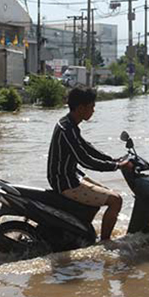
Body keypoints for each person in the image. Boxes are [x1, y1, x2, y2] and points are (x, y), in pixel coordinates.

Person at [47, 87, 132, 241]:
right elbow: (85, 160)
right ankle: (105, 243)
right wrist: (116, 166)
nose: (93, 111)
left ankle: (82, 231)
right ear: (81, 108)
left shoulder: (69, 124)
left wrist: (112, 159)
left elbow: (86, 147)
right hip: (66, 182)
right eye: (92, 107)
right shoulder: (67, 130)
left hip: (70, 176)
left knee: (106, 191)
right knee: (116, 200)